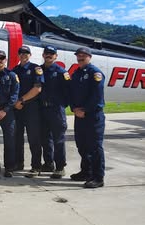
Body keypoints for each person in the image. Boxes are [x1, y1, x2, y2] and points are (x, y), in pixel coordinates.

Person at [69, 46, 106, 188]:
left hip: (92, 116)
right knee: (82, 145)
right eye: (78, 55)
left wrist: (85, 110)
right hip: (79, 115)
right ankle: (86, 172)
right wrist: (74, 108)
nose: (80, 57)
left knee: (95, 147)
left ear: (89, 57)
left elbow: (96, 97)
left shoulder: (95, 73)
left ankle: (98, 177)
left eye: (83, 55)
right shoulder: (76, 73)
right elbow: (71, 93)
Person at [12, 45, 44, 176]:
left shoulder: (36, 69)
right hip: (18, 109)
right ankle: (19, 163)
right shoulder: (15, 70)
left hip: (31, 108)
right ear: (18, 55)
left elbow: (37, 89)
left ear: (30, 55)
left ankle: (36, 166)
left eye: (26, 53)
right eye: (21, 53)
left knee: (34, 138)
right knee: (17, 138)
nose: (23, 55)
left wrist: (21, 101)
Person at [39, 46, 70, 178]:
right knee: (45, 139)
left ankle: (60, 167)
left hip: (56, 110)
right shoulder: (39, 70)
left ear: (56, 56)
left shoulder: (61, 72)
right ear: (43, 55)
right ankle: (48, 163)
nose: (49, 55)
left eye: (52, 54)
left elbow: (69, 91)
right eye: (47, 53)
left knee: (58, 139)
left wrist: (61, 105)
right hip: (42, 109)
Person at [0, 50, 20, 177]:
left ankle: (9, 167)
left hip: (7, 113)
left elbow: (14, 95)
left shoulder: (12, 75)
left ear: (5, 60)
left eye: (1, 58)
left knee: (10, 141)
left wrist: (4, 110)